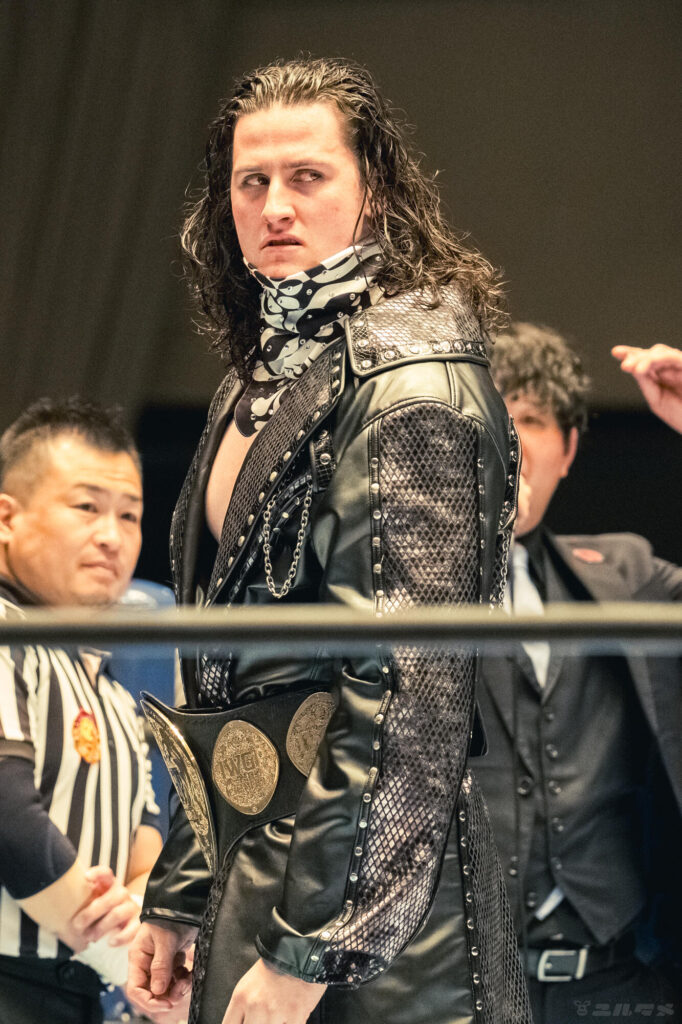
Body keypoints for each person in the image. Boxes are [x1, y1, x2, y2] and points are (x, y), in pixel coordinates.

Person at [129, 56, 529, 1024]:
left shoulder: (415, 383)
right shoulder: (258, 383)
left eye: (307, 176)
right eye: (251, 181)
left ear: (374, 190)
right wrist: (182, 890)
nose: (275, 207)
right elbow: (228, 680)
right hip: (264, 871)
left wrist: (318, 948)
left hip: (379, 923)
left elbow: (409, 692)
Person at [472, 324, 682, 1023]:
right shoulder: (389, 588)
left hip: (620, 984)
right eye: (489, 416)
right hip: (452, 988)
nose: (509, 438)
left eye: (531, 419)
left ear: (566, 450)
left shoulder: (627, 573)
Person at [0, 398, 163, 1024]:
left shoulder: (114, 688)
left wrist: (141, 930)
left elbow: (146, 851)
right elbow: (9, 819)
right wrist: (126, 960)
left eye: (130, 515)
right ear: (7, 518)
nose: (111, 536)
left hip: (80, 996)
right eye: (87, 507)